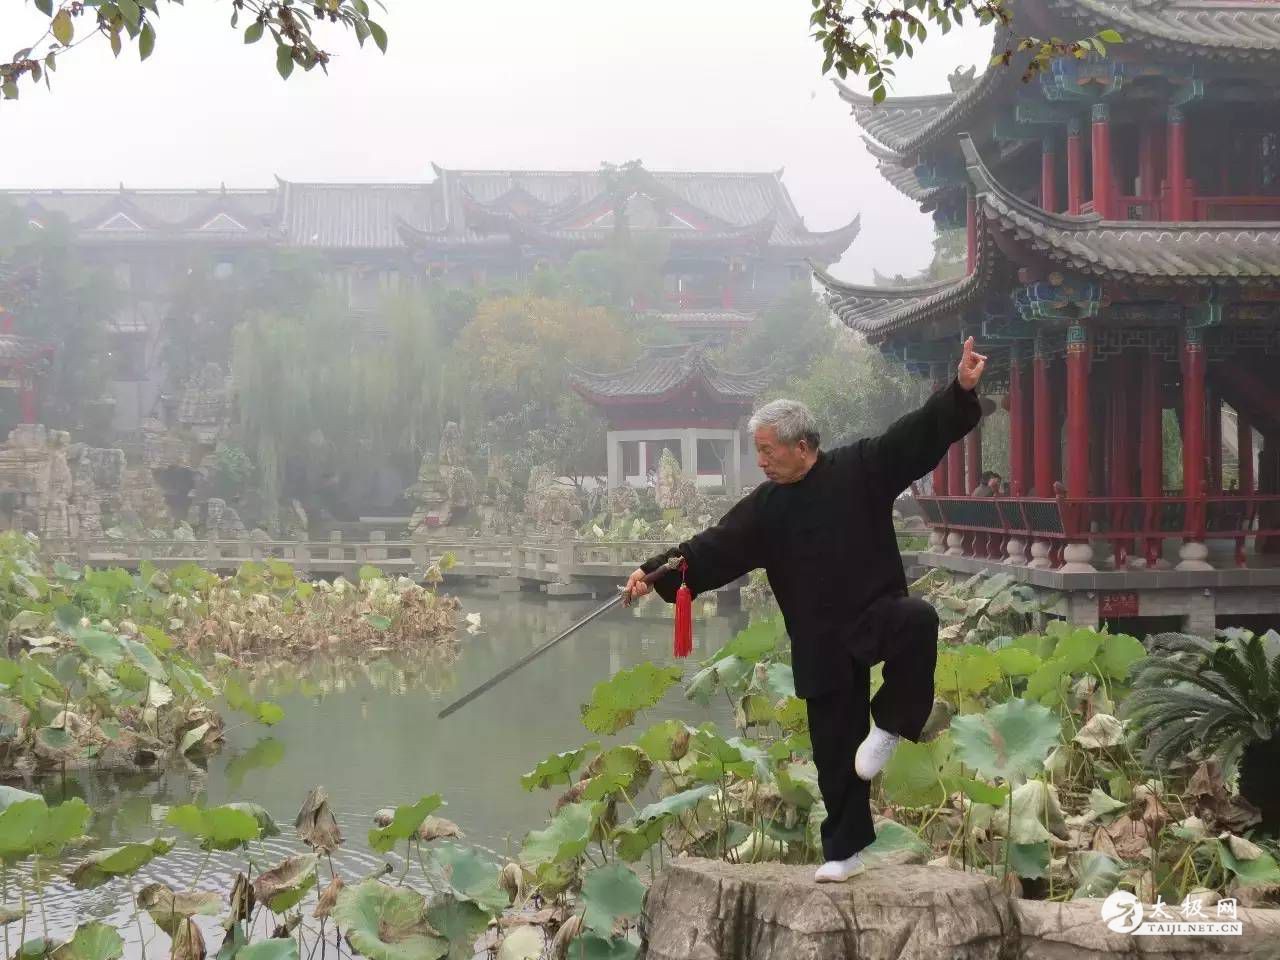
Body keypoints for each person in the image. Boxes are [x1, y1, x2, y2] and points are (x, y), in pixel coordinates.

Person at [625, 336, 986, 884]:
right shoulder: (765, 507)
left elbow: (916, 435)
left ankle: (891, 724)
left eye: (768, 450)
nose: (761, 461)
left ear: (801, 445)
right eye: (758, 451)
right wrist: (652, 572)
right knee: (834, 749)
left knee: (919, 620)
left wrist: (959, 390)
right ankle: (844, 852)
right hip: (820, 640)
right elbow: (712, 547)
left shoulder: (862, 468)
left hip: (875, 614)